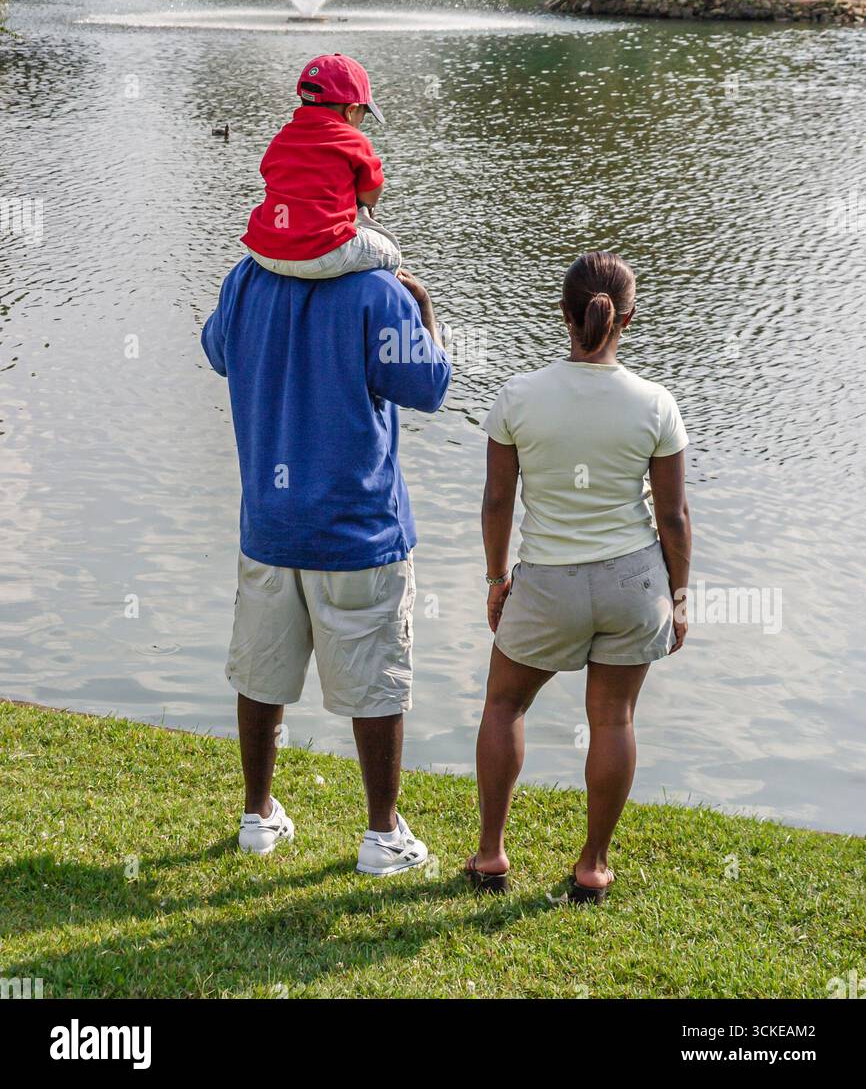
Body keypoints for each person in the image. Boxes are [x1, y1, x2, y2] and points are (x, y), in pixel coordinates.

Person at [201, 226, 451, 872]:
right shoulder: (378, 290)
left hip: (271, 523)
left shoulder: (245, 278)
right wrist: (423, 309)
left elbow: (218, 351)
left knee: (262, 673)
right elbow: (429, 386)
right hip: (358, 529)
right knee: (376, 685)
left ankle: (257, 816)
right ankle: (382, 835)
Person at [468, 251, 691, 901]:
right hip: (633, 585)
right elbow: (673, 517)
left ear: (564, 315)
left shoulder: (518, 397)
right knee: (613, 720)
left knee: (505, 704)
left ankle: (491, 856)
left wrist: (495, 579)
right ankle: (592, 867)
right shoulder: (656, 403)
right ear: (629, 319)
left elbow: (497, 502)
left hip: (548, 582)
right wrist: (679, 596)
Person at [242, 52, 402, 280]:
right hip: (322, 254)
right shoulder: (353, 140)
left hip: (264, 252)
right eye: (363, 115)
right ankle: (383, 293)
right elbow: (371, 194)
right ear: (351, 111)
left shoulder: (281, 138)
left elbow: (272, 175)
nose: (361, 122)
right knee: (391, 251)